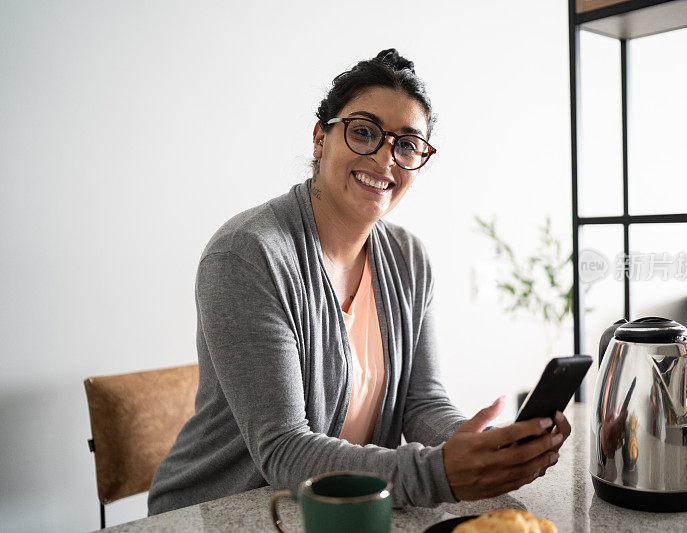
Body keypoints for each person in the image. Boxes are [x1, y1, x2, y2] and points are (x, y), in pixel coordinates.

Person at [147, 49, 571, 515]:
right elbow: (283, 448)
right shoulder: (248, 255)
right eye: (364, 132)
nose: (386, 158)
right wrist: (440, 473)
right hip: (227, 511)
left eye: (407, 144)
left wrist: (481, 447)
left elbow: (421, 401)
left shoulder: (409, 258)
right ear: (320, 137)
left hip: (348, 508)